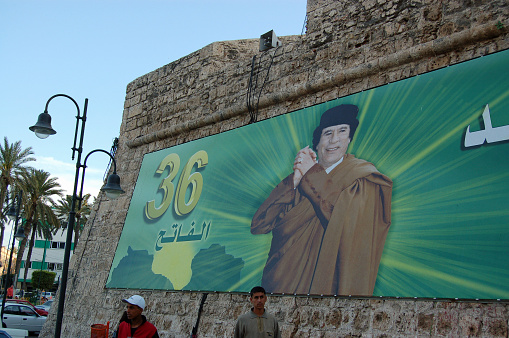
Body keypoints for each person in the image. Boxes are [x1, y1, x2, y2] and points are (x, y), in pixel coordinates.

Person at [251, 104, 393, 296]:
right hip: (280, 283)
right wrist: (294, 180)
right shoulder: (302, 180)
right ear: (317, 144)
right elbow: (260, 225)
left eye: (342, 131)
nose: (334, 140)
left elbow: (350, 227)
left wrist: (311, 173)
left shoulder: (361, 178)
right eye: (328, 133)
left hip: (324, 286)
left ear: (349, 138)